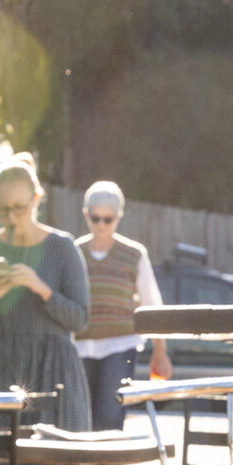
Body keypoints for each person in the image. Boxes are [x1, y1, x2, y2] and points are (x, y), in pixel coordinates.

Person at [0, 154, 92, 430]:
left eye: (19, 207)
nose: (11, 216)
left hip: (54, 368)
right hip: (1, 365)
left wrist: (41, 289)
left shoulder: (62, 248)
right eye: (3, 209)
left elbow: (80, 319)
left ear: (36, 199)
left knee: (52, 463)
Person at [73, 180, 173, 434]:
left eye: (108, 219)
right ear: (86, 215)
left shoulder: (134, 254)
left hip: (120, 345)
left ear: (118, 217)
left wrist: (159, 352)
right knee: (80, 413)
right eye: (95, 218)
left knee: (111, 411)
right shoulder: (73, 252)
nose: (101, 225)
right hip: (79, 346)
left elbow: (152, 305)